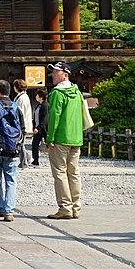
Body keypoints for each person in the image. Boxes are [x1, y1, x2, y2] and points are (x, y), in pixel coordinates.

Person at [45, 61, 86, 220]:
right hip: (76, 137)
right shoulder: (77, 91)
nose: (53, 75)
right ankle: (76, 207)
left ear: (65, 74)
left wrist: (50, 138)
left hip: (61, 138)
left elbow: (54, 116)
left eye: (56, 72)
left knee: (60, 173)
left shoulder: (57, 93)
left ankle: (65, 207)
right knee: (74, 174)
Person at [0, 80, 23, 222]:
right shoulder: (16, 107)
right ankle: (9, 210)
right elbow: (22, 129)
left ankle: (0, 207)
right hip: (12, 148)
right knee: (11, 180)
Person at [14, 79, 34, 168]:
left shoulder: (22, 98)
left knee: (21, 143)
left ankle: (24, 161)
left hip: (22, 124)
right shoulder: (23, 96)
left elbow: (20, 112)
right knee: (21, 143)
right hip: (24, 123)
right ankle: (27, 159)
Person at [31, 89, 48, 166]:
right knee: (34, 144)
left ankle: (54, 160)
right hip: (37, 128)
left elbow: (44, 119)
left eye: (37, 95)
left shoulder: (45, 105)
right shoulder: (38, 105)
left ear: (41, 96)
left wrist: (38, 128)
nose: (36, 96)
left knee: (48, 144)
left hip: (42, 128)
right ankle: (35, 160)